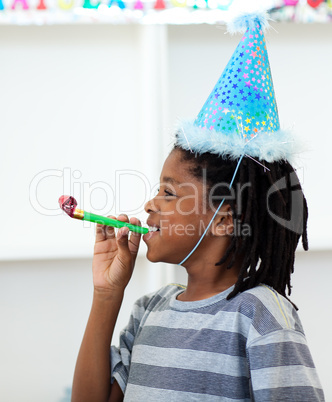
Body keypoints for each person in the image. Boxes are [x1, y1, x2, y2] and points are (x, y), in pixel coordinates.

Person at [71, 11, 324, 402]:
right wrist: (107, 295)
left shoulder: (259, 315)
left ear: (224, 219)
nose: (150, 205)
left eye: (169, 193)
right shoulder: (148, 310)